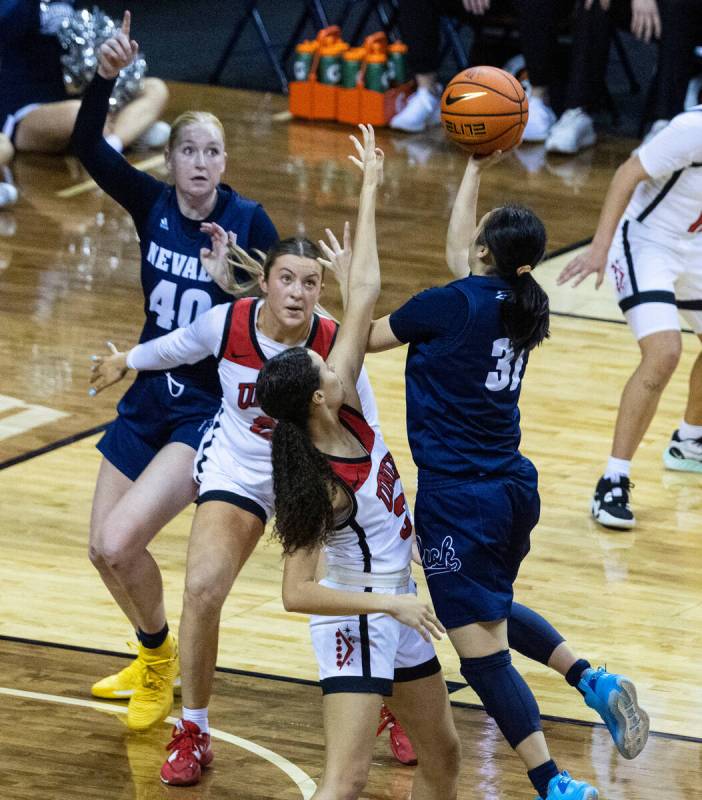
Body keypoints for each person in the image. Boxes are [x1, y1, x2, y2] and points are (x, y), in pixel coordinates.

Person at [89, 220, 388, 784]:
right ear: (266, 284)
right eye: (287, 279)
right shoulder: (227, 322)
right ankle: (194, 729)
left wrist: (378, 500)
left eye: (310, 282)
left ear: (321, 291)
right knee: (202, 588)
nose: (297, 293)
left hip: (312, 477)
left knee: (347, 601)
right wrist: (126, 359)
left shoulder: (331, 341)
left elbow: (363, 425)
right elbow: (173, 347)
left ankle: (393, 698)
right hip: (242, 469)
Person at [364, 151, 602, 799]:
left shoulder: (446, 306)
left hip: (460, 501)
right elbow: (459, 257)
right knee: (486, 609)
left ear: (486, 252)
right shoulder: (524, 301)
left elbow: (363, 336)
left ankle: (554, 782)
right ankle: (590, 679)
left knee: (482, 654)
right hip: (512, 490)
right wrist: (471, 165)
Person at [75, 10, 278, 732]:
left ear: (225, 164)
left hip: (203, 413)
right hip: (145, 402)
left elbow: (275, 319)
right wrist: (104, 79)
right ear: (170, 162)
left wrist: (233, 282)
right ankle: (152, 650)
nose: (197, 161)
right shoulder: (152, 203)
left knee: (123, 541)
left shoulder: (249, 222)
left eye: (210, 151)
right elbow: (85, 146)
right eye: (185, 149)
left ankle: (163, 668)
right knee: (102, 551)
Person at [255, 124, 462, 800]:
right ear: (318, 395)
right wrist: (390, 604)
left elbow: (365, 289)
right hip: (356, 618)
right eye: (324, 361)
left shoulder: (340, 405)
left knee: (446, 757)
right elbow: (296, 592)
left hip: (397, 607)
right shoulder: (318, 484)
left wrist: (370, 184)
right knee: (344, 780)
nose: (334, 353)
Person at [557, 104, 702, 529]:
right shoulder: (692, 128)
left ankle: (690, 442)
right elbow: (626, 173)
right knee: (664, 352)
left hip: (694, 248)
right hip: (645, 241)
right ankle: (613, 480)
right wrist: (600, 247)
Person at [0, 1, 171, 210]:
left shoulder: (72, 3)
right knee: (78, 114)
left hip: (73, 97)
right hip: (24, 109)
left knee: (155, 88)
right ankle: (128, 131)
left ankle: (112, 146)